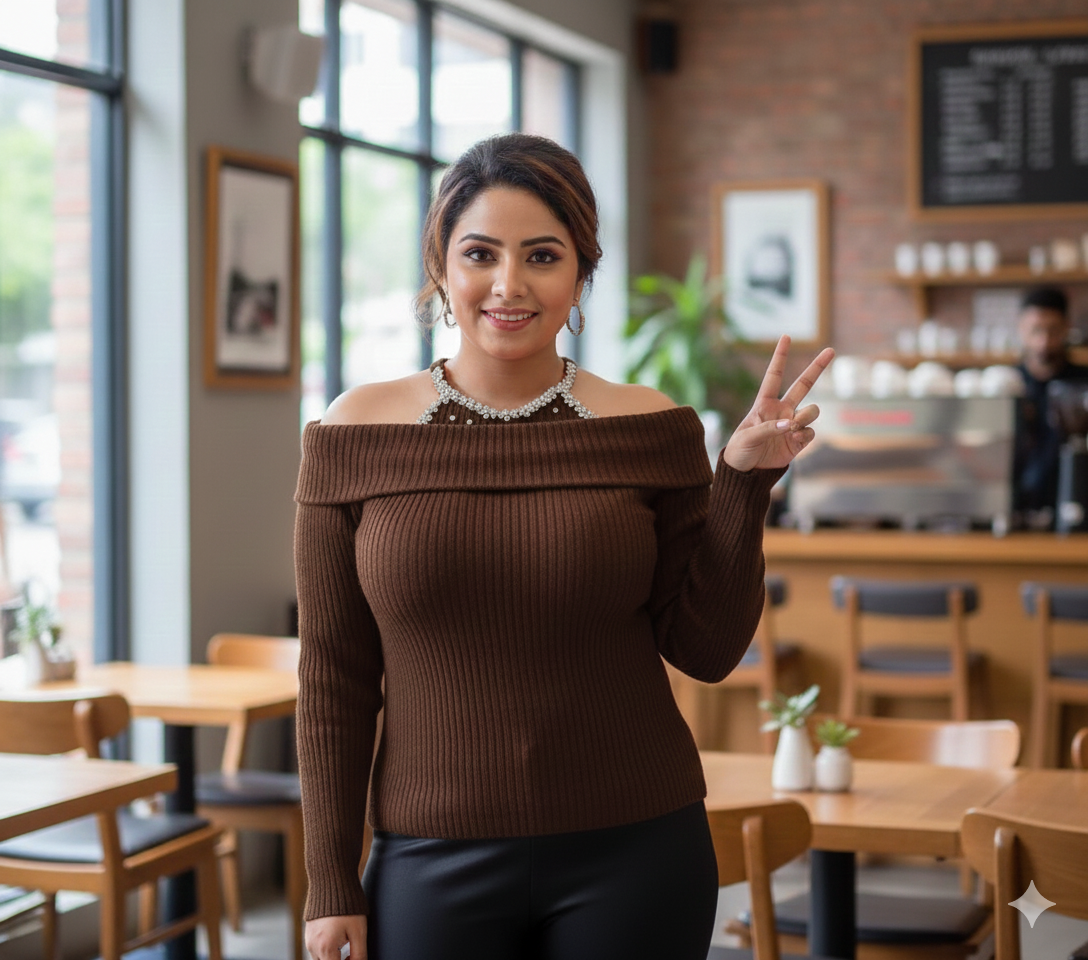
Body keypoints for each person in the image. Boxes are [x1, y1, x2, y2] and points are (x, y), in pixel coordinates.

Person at [294, 132, 834, 960]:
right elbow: (333, 676)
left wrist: (742, 481)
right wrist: (331, 882)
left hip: (638, 850)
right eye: (481, 253)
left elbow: (707, 648)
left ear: (581, 274)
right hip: (428, 857)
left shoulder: (650, 428)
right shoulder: (352, 433)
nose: (510, 285)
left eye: (542, 256)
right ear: (441, 266)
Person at [1013, 286, 1088, 526]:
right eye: (1035, 330)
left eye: (1052, 330)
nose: (1043, 342)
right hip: (1015, 512)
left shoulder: (1084, 382)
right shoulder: (1006, 384)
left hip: (1076, 508)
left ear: (1066, 327)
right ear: (1021, 329)